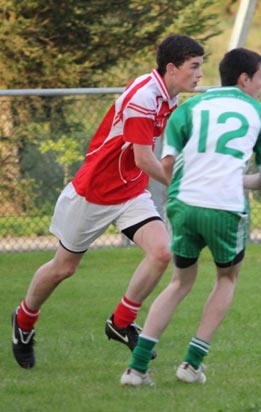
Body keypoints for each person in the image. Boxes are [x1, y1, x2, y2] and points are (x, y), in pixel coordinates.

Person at [11, 34, 205, 369]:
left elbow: (153, 156)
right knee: (63, 268)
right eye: (195, 66)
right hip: (94, 193)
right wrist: (182, 186)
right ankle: (24, 321)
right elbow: (145, 159)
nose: (200, 74)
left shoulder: (167, 95)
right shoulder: (145, 97)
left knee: (162, 252)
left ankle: (120, 322)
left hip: (130, 193)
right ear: (172, 68)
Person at [120, 47, 261, 387]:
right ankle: (191, 364)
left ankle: (136, 367)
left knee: (180, 282)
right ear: (244, 79)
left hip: (184, 203)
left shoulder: (187, 109)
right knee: (227, 279)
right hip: (224, 207)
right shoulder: (260, 115)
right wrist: (236, 179)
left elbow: (167, 168)